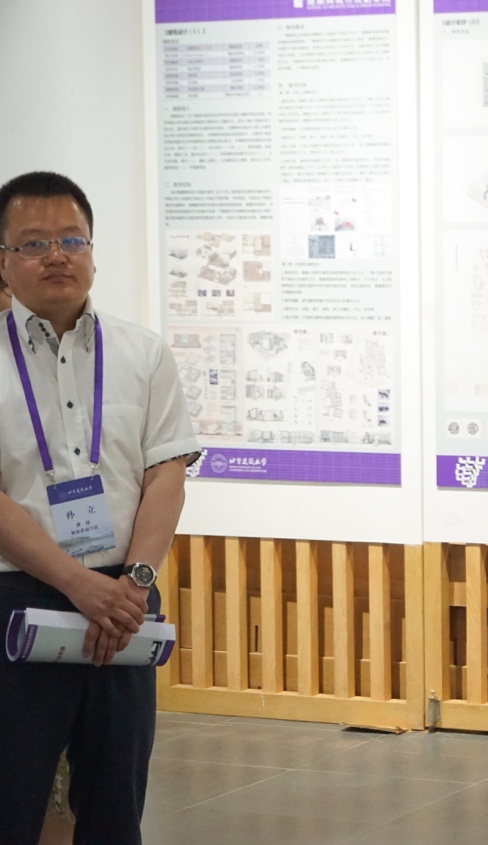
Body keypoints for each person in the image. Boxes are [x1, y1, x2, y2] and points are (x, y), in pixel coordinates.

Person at [0, 171, 199, 845]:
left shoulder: (142, 351)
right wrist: (77, 584)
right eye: (33, 243)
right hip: (19, 598)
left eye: (71, 238)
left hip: (125, 599)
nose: (56, 255)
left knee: (116, 806)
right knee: (11, 799)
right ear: (3, 261)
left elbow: (165, 471)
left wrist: (134, 582)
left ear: (92, 249)